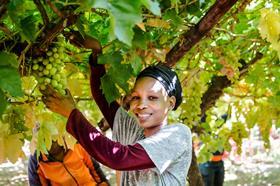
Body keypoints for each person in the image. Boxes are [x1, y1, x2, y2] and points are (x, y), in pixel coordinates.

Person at [41, 33, 192, 185]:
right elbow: (104, 98)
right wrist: (96, 54)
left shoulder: (178, 135)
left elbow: (118, 158)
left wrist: (72, 114)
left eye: (152, 97)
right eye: (135, 97)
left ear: (171, 103)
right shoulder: (133, 131)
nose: (141, 104)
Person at [28, 140, 109, 186]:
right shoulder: (36, 160)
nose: (50, 143)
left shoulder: (73, 142)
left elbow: (95, 169)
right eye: (44, 139)